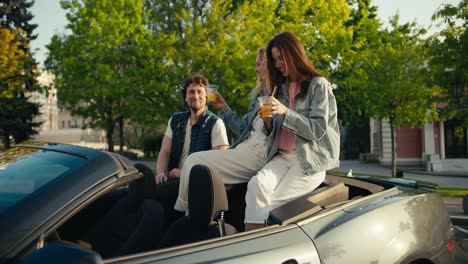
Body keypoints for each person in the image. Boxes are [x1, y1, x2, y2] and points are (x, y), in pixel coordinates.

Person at [243, 31, 340, 230]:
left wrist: (286, 112)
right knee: (255, 186)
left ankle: (261, 251)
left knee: (273, 204)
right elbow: (274, 133)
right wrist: (268, 121)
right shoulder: (280, 88)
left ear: (294, 53)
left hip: (309, 160)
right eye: (275, 59)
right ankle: (250, 246)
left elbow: (318, 129)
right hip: (282, 157)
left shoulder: (318, 85)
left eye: (281, 57)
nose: (278, 64)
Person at [174, 48, 283, 215]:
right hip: (245, 147)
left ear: (268, 65)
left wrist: (268, 118)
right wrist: (224, 107)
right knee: (202, 176)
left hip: (258, 152)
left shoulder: (279, 94)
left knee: (192, 161)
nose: (255, 69)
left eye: (259, 64)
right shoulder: (258, 97)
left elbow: (275, 133)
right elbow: (242, 129)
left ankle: (180, 212)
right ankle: (195, 218)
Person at [154, 73, 229, 220]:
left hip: (195, 185)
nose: (195, 96)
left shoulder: (215, 123)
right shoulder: (176, 120)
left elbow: (220, 165)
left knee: (153, 194)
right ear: (185, 97)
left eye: (200, 92)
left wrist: (184, 173)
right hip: (172, 180)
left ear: (207, 97)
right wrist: (160, 173)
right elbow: (165, 151)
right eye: (191, 92)